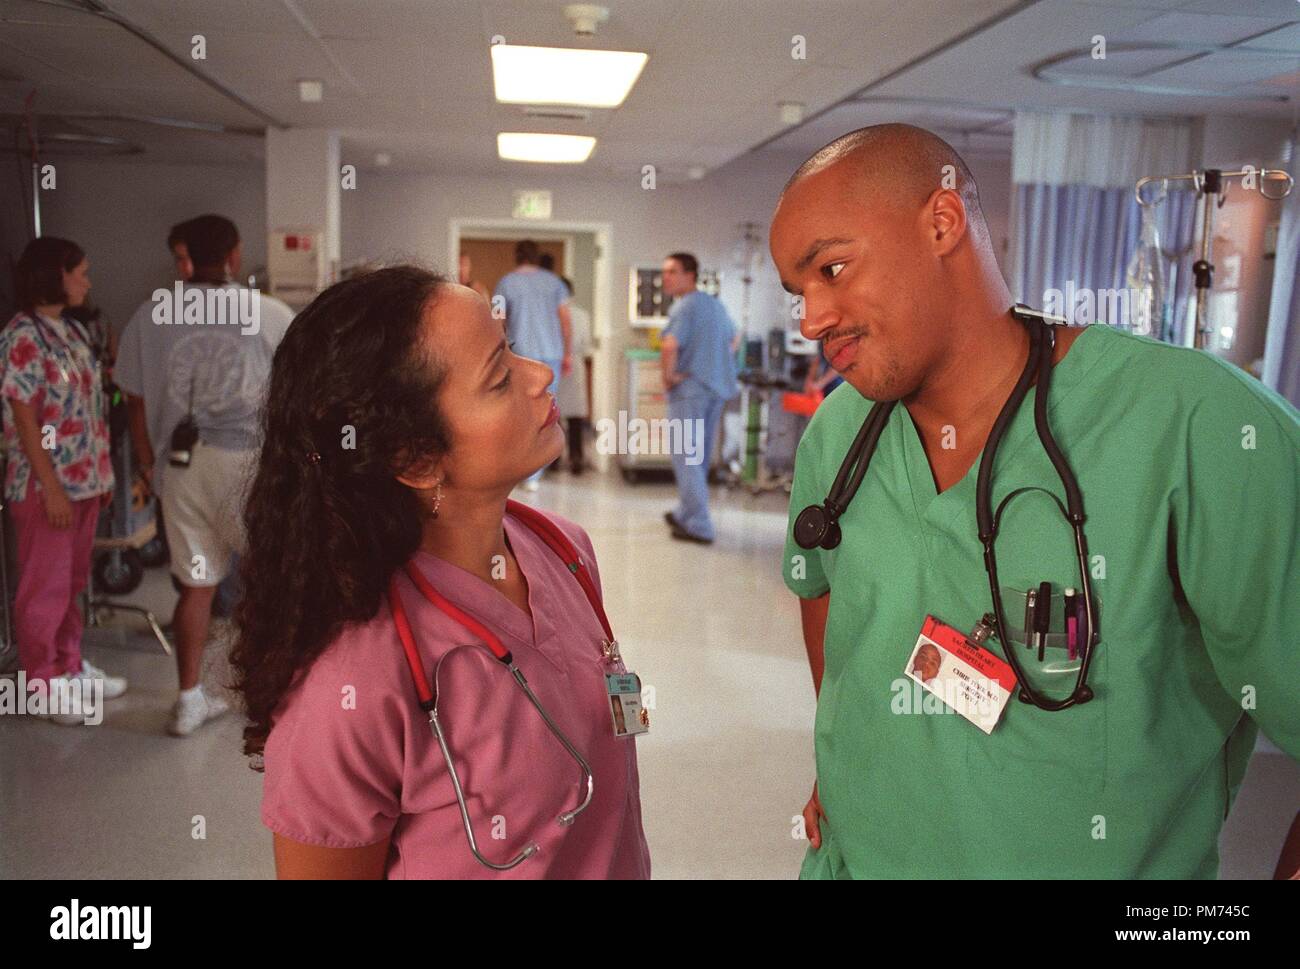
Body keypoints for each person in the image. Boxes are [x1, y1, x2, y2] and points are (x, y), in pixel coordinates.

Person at [772, 123, 1300, 878]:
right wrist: (846, 759)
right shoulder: (840, 433)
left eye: (832, 268)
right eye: (800, 292)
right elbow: (822, 591)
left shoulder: (1195, 425)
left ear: (942, 223)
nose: (811, 319)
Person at [230, 267, 650, 880]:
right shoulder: (352, 683)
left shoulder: (565, 551)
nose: (541, 375)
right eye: (501, 377)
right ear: (417, 459)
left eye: (509, 348)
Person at [116, 214, 293, 736]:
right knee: (268, 582)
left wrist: (149, 464)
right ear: (235, 256)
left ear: (187, 256)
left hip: (183, 468)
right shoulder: (270, 314)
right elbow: (297, 396)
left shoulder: (150, 315)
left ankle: (189, 700)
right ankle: (268, 695)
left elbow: (132, 399)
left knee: (195, 586)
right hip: (250, 468)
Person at [1, 237, 126, 723]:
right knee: (43, 587)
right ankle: (42, 683)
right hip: (45, 488)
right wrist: (51, 485)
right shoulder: (21, 336)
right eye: (81, 272)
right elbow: (25, 417)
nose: (87, 281)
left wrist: (101, 472)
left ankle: (69, 666)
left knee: (72, 583)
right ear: (56, 275)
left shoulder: (69, 334)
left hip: (85, 482)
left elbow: (88, 407)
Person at [659, 252, 738, 544]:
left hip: (690, 391)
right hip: (715, 389)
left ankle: (699, 523)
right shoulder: (714, 305)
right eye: (664, 272)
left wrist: (669, 378)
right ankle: (686, 511)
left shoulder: (684, 307)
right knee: (699, 456)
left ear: (689, 275)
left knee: (686, 457)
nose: (665, 277)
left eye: (671, 271)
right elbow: (734, 339)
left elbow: (669, 346)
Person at [493, 240, 571, 491]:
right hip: (551, 355)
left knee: (521, 412)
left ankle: (524, 470)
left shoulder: (505, 282)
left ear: (517, 256)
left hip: (521, 356)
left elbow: (496, 320)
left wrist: (497, 354)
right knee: (547, 413)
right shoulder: (555, 283)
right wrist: (567, 353)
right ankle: (534, 474)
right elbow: (565, 320)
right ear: (537, 257)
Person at [555, 276, 592, 473]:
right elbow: (586, 345)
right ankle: (576, 457)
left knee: (555, 415)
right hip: (575, 363)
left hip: (555, 363)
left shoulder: (552, 312)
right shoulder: (582, 315)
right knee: (575, 416)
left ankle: (553, 460)